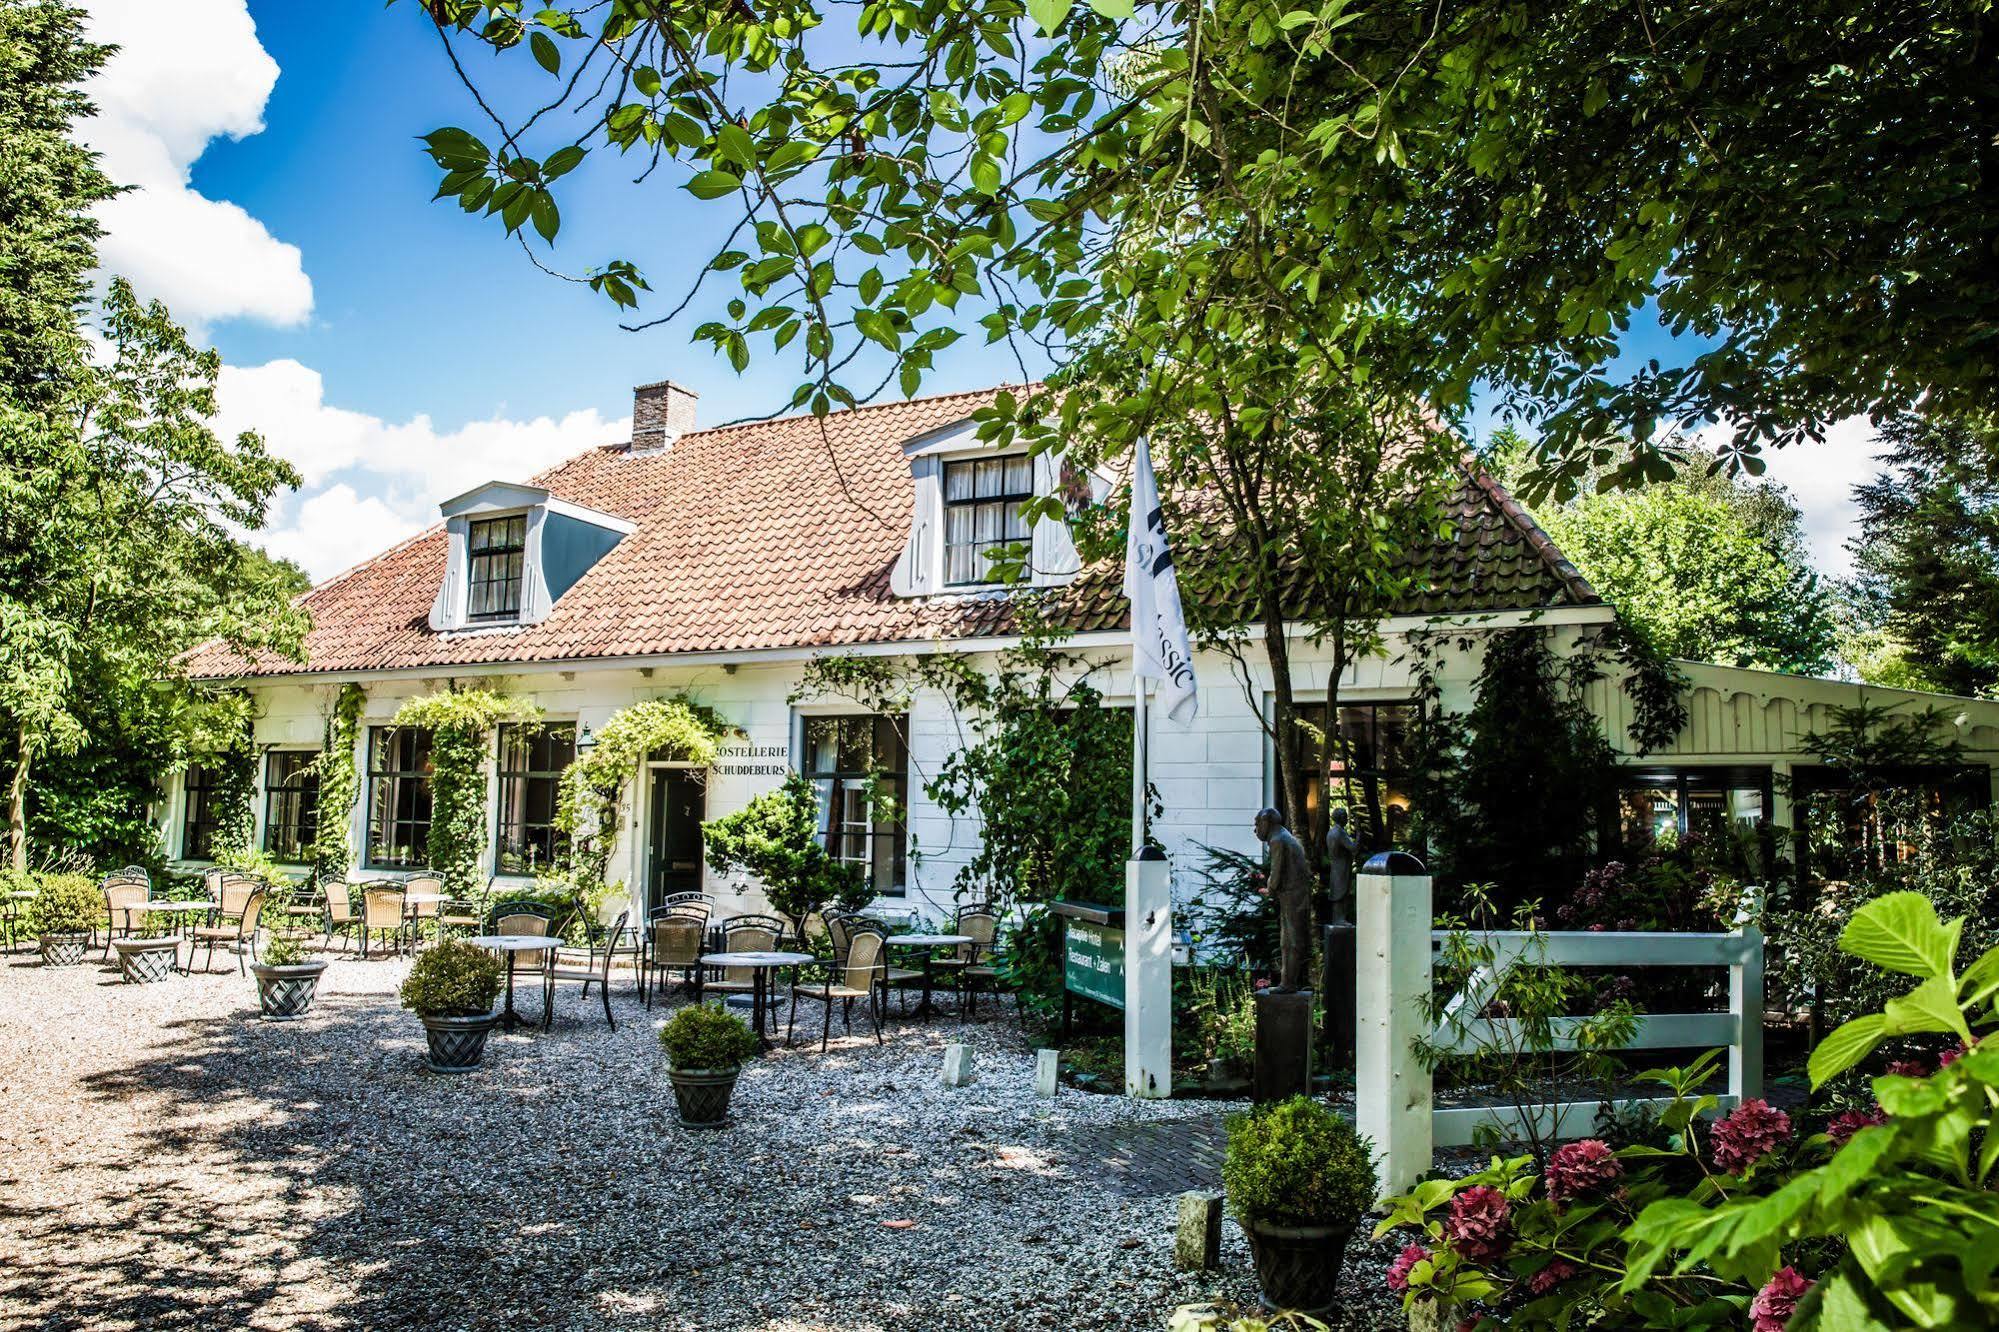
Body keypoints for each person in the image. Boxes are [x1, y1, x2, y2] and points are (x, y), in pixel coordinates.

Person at [1254, 806, 1314, 993]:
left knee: (1290, 939)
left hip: (1292, 894)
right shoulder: (1284, 835)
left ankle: (1288, 983)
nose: (1255, 829)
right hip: (1295, 893)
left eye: (1256, 824)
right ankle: (1288, 981)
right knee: (1289, 938)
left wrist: (1270, 889)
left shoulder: (1277, 839)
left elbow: (1277, 870)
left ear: (1266, 822)